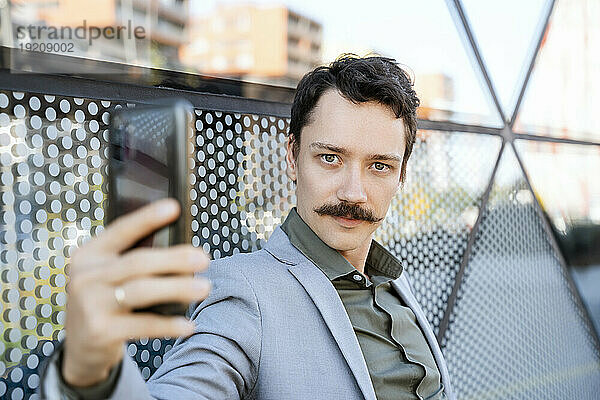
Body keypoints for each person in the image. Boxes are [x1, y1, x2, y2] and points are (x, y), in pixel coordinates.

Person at [39, 54, 456, 400]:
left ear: (401, 176)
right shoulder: (242, 290)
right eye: (329, 158)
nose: (354, 192)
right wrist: (89, 374)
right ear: (292, 157)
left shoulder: (393, 282)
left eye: (379, 166)